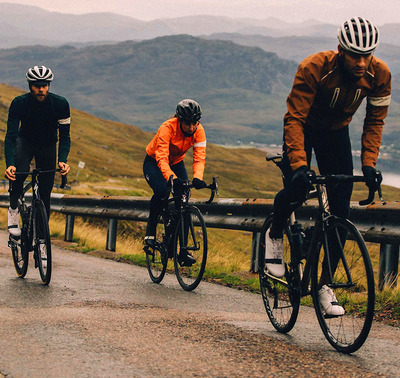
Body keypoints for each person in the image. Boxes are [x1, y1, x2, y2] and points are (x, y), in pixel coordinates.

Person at [265, 17, 391, 316]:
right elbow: (294, 118)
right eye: (355, 55)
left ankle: (324, 285)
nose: (361, 62)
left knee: (341, 211)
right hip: (304, 128)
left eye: (367, 55)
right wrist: (298, 164)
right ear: (340, 50)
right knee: (296, 189)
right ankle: (275, 231)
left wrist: (369, 164)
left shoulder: (380, 74)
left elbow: (375, 122)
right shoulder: (314, 67)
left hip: (336, 133)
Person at [5, 65, 71, 237]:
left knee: (45, 193)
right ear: (30, 85)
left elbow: (65, 137)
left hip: (48, 145)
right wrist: (10, 164)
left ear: (49, 85)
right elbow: (11, 136)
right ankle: (13, 210)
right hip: (25, 142)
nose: (41, 89)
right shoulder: (19, 103)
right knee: (18, 173)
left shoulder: (61, 104)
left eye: (44, 85)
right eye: (36, 85)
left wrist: (63, 160)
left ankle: (41, 238)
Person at [143, 99, 207, 265]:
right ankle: (150, 231)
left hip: (177, 163)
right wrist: (172, 178)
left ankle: (183, 251)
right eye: (187, 123)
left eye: (195, 123)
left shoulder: (199, 130)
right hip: (154, 162)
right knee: (162, 190)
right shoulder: (167, 128)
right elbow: (162, 158)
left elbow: (199, 157)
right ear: (180, 120)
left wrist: (198, 178)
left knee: (184, 201)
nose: (192, 128)